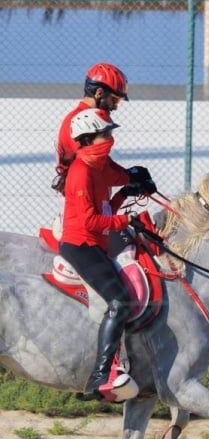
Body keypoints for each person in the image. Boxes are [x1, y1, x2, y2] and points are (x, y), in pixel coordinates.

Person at [58, 108, 155, 402]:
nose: (110, 138)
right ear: (89, 138)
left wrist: (127, 190)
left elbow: (106, 209)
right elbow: (90, 222)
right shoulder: (81, 172)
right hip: (80, 245)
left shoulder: (100, 167)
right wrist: (127, 221)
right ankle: (101, 375)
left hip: (95, 244)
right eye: (106, 133)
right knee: (120, 300)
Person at [52, 62, 129, 194]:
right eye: (115, 100)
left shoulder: (90, 120)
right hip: (81, 198)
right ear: (99, 93)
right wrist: (129, 178)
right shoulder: (81, 122)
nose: (115, 107)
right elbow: (95, 167)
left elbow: (103, 162)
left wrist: (128, 173)